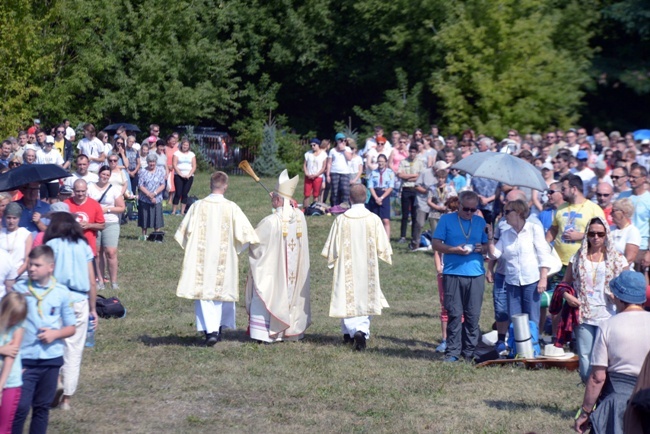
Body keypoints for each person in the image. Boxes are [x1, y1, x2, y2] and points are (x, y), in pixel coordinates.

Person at [175, 172, 259, 346]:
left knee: (204, 293)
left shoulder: (197, 206)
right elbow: (247, 235)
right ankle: (218, 329)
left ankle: (210, 331)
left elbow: (183, 233)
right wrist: (237, 249)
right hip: (224, 259)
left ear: (210, 185)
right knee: (221, 293)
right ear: (226, 186)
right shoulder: (232, 207)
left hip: (201, 260)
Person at [574, 271, 650, 434]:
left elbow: (597, 378)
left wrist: (586, 412)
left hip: (618, 403)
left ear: (617, 296)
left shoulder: (608, 326)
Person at [11, 246, 76, 434]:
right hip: (24, 360)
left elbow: (71, 327)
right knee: (20, 407)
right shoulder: (19, 289)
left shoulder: (62, 292)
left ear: (50, 267)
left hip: (51, 359)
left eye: (37, 265)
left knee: (42, 408)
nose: (31, 268)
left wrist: (55, 334)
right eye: (30, 264)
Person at [322, 184, 392, 351]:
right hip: (367, 268)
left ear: (350, 199)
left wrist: (332, 260)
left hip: (347, 267)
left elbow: (332, 247)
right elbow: (383, 245)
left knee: (347, 297)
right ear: (366, 197)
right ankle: (356, 332)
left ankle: (352, 332)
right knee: (365, 298)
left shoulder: (341, 219)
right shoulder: (373, 219)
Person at [245, 170, 310, 343]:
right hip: (293, 275)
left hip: (275, 273)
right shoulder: (300, 217)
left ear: (278, 200)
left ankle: (264, 333)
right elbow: (292, 209)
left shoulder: (271, 221)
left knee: (265, 287)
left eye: (275, 197)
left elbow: (254, 242)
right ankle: (291, 331)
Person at [562, 217, 628, 383]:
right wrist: (567, 296)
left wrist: (617, 296)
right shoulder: (578, 257)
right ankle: (589, 393)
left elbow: (628, 287)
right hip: (583, 313)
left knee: (607, 357)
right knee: (585, 358)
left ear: (606, 235)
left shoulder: (617, 259)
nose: (596, 237)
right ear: (586, 235)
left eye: (600, 233)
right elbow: (564, 284)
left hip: (609, 314)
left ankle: (603, 395)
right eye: (591, 233)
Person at [44, 213, 98, 411]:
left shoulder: (51, 246)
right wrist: (93, 309)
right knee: (74, 350)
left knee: (53, 345)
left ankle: (55, 381)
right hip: (79, 300)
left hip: (55, 300)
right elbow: (92, 281)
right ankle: (66, 398)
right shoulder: (83, 246)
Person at [432, 190, 488, 362]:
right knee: (454, 313)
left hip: (475, 273)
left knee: (473, 315)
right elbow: (436, 243)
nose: (469, 213)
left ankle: (469, 351)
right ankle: (453, 352)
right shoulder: (446, 220)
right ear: (459, 206)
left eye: (473, 209)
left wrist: (482, 248)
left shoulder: (480, 222)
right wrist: (453, 250)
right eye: (466, 209)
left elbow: (487, 247)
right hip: (453, 272)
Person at [486, 199, 552, 332]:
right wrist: (490, 238)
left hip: (531, 280)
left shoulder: (534, 229)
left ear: (519, 212)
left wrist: (543, 278)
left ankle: (532, 347)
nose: (504, 215)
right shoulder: (506, 234)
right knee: (515, 318)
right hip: (512, 282)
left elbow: (543, 254)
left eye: (507, 212)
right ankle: (517, 348)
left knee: (532, 317)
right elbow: (494, 255)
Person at [546, 174, 606, 283]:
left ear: (574, 189)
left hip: (582, 262)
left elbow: (604, 235)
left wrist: (581, 236)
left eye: (564, 189)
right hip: (559, 262)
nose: (562, 192)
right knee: (558, 296)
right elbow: (554, 229)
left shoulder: (594, 209)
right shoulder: (561, 208)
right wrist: (544, 244)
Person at [88, 165, 125, 290]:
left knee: (111, 252)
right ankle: (100, 280)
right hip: (95, 224)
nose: (105, 177)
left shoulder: (114, 189)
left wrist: (106, 210)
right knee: (97, 253)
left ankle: (114, 281)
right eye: (103, 174)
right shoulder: (90, 187)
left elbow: (121, 207)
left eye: (107, 175)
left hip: (111, 222)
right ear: (99, 174)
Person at [617, 165, 650, 282]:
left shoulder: (648, 199)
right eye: (629, 176)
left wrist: (649, 253)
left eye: (634, 177)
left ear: (644, 178)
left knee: (638, 284)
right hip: (621, 244)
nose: (631, 179)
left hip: (641, 247)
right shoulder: (623, 196)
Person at [0, 292, 27, 432]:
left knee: (4, 428)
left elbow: (10, 358)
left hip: (10, 383)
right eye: (12, 318)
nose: (13, 323)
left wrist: (1, 386)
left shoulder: (18, 328)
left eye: (17, 319)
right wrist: (2, 349)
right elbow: (6, 351)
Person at [397, 145, 425, 244]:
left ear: (417, 152)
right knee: (404, 214)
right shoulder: (403, 162)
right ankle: (402, 236)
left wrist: (408, 177)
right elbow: (400, 175)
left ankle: (414, 236)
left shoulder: (420, 163)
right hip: (406, 188)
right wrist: (414, 176)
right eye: (410, 151)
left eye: (414, 152)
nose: (412, 154)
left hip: (415, 189)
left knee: (415, 214)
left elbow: (421, 176)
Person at [0, 203, 33, 282]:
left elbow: (27, 260)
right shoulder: (1, 232)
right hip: (2, 274)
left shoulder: (26, 234)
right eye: (9, 218)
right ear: (5, 218)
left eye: (14, 218)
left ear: (19, 218)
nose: (11, 221)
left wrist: (14, 276)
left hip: (20, 275)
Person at [410, 162, 438, 251]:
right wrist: (427, 192)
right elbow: (416, 186)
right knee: (419, 223)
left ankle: (436, 244)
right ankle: (415, 243)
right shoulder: (425, 172)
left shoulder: (443, 176)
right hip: (422, 201)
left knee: (435, 225)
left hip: (435, 203)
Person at [137, 153, 166, 240]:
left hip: (157, 198)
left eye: (153, 162)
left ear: (156, 162)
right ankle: (144, 235)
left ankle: (157, 235)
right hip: (144, 198)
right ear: (147, 162)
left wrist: (154, 194)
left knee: (157, 217)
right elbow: (140, 185)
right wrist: (149, 195)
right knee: (145, 217)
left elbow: (162, 185)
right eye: (150, 162)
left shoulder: (160, 170)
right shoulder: (142, 171)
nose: (152, 164)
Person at [366, 154, 395, 238]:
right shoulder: (373, 172)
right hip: (375, 194)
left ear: (386, 162)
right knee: (375, 219)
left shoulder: (390, 173)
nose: (380, 163)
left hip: (385, 196)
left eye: (382, 161)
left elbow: (391, 186)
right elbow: (370, 186)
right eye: (379, 161)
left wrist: (381, 198)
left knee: (386, 220)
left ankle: (387, 241)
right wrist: (376, 198)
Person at [610, 198, 641, 267]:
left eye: (613, 211)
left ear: (623, 213)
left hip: (622, 271)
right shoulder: (610, 229)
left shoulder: (632, 231)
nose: (610, 214)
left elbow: (629, 259)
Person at [326, 133, 352, 206]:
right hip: (334, 172)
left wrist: (343, 150)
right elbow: (329, 163)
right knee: (335, 190)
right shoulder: (332, 151)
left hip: (345, 172)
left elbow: (349, 158)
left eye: (344, 140)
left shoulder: (347, 149)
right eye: (341, 140)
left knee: (345, 190)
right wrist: (328, 175)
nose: (343, 142)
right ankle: (335, 206)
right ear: (337, 141)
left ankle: (345, 206)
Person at [171, 139, 196, 215]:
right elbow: (174, 165)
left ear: (189, 146)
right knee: (178, 193)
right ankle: (174, 211)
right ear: (181, 145)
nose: (185, 146)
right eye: (184, 144)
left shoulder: (192, 154)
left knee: (185, 193)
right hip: (178, 176)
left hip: (189, 176)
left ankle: (182, 211)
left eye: (187, 145)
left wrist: (189, 174)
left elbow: (194, 166)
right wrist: (180, 174)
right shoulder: (177, 153)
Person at [302, 138, 327, 209]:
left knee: (316, 194)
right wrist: (306, 173)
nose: (312, 147)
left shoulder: (323, 154)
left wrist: (317, 174)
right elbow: (304, 165)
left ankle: (314, 208)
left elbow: (324, 166)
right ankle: (305, 208)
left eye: (314, 145)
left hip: (318, 176)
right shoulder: (307, 154)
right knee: (307, 193)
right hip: (308, 176)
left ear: (318, 145)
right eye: (311, 145)